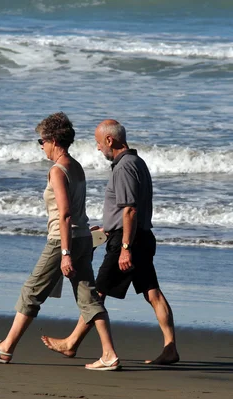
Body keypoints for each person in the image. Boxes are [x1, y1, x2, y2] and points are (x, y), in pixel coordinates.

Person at [0, 112, 121, 371]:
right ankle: (109, 354)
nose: (41, 146)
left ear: (53, 140)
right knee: (89, 298)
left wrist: (64, 252)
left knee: (31, 292)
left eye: (41, 141)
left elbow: (64, 213)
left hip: (63, 241)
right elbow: (77, 210)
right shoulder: (75, 166)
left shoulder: (57, 170)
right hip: (83, 237)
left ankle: (6, 348)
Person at [41, 119, 180, 365]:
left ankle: (72, 343)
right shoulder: (137, 162)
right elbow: (129, 209)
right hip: (142, 237)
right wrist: (108, 227)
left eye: (98, 143)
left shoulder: (124, 166)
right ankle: (170, 347)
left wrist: (124, 247)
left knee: (97, 293)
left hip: (128, 241)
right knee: (152, 293)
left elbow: (130, 210)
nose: (97, 148)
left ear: (110, 140)